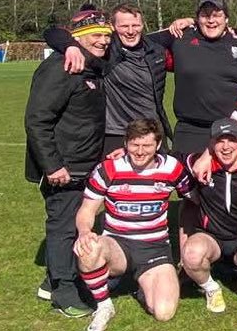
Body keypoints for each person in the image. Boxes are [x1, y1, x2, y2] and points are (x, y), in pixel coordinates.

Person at [25, 8, 112, 318]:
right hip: (65, 167)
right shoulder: (63, 67)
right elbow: (37, 120)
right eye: (96, 36)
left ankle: (52, 281)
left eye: (106, 35)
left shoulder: (92, 66)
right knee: (63, 226)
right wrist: (52, 166)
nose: (103, 41)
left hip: (85, 163)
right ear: (78, 39)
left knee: (76, 225)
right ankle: (63, 292)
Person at [74, 119, 190, 330]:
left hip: (155, 247)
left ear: (158, 145)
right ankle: (104, 306)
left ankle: (142, 288)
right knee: (89, 248)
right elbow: (87, 210)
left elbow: (193, 198)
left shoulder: (172, 168)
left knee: (164, 313)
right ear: (125, 143)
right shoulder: (108, 169)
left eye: (146, 145)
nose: (140, 151)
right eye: (134, 145)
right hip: (118, 245)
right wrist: (83, 232)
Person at [43, 4, 174, 154]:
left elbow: (186, 33)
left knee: (160, 177)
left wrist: (188, 21)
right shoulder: (107, 49)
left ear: (142, 25)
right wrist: (70, 46)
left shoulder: (155, 49)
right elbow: (52, 32)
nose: (131, 31)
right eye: (124, 26)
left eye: (135, 25)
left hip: (153, 132)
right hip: (117, 135)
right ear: (112, 26)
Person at [179, 119, 237, 314]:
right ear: (211, 144)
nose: (225, 147)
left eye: (231, 140)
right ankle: (211, 288)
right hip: (211, 237)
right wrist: (126, 153)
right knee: (191, 256)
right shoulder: (199, 163)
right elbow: (166, 158)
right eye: (219, 140)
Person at [165, 0, 237, 155]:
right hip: (189, 131)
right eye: (205, 15)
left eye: (217, 15)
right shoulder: (180, 38)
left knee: (226, 180)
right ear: (197, 18)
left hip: (229, 130)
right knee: (184, 179)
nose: (211, 20)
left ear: (226, 19)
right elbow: (139, 39)